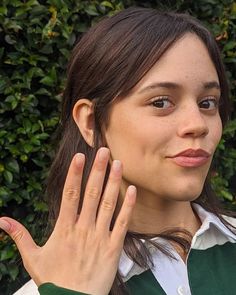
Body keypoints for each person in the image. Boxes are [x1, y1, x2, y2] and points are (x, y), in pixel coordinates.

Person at [0, 6, 236, 295]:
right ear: (91, 121)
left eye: (208, 102)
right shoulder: (46, 290)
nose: (198, 124)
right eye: (161, 102)